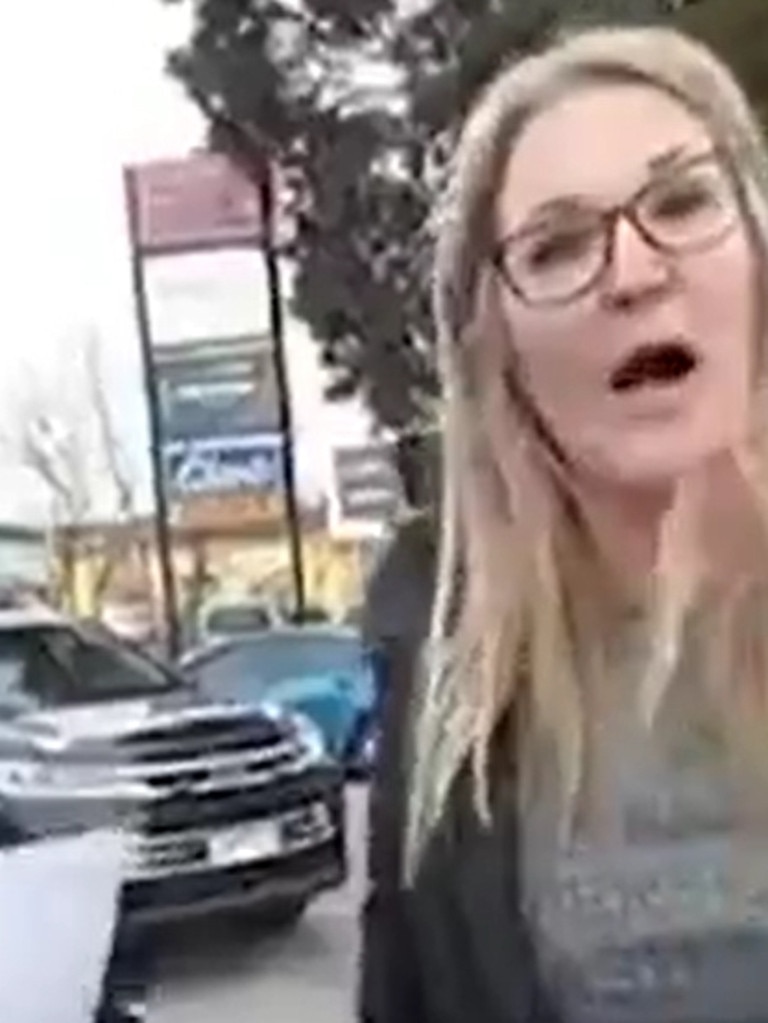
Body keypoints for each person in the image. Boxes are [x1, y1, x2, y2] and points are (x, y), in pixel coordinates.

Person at [359, 23, 768, 1023]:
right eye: (558, 247)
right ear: (501, 351)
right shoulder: (444, 652)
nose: (633, 273)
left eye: (682, 202)